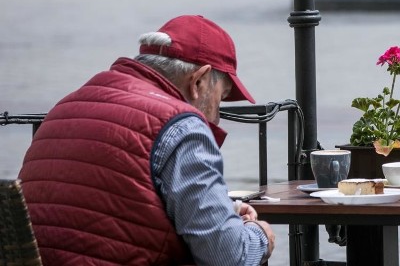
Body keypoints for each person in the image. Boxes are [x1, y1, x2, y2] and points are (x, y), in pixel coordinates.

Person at [18, 15, 275, 266]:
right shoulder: (182, 126)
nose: (217, 117)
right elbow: (228, 257)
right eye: (222, 95)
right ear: (199, 81)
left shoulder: (66, 106)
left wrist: (222, 212)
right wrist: (259, 233)